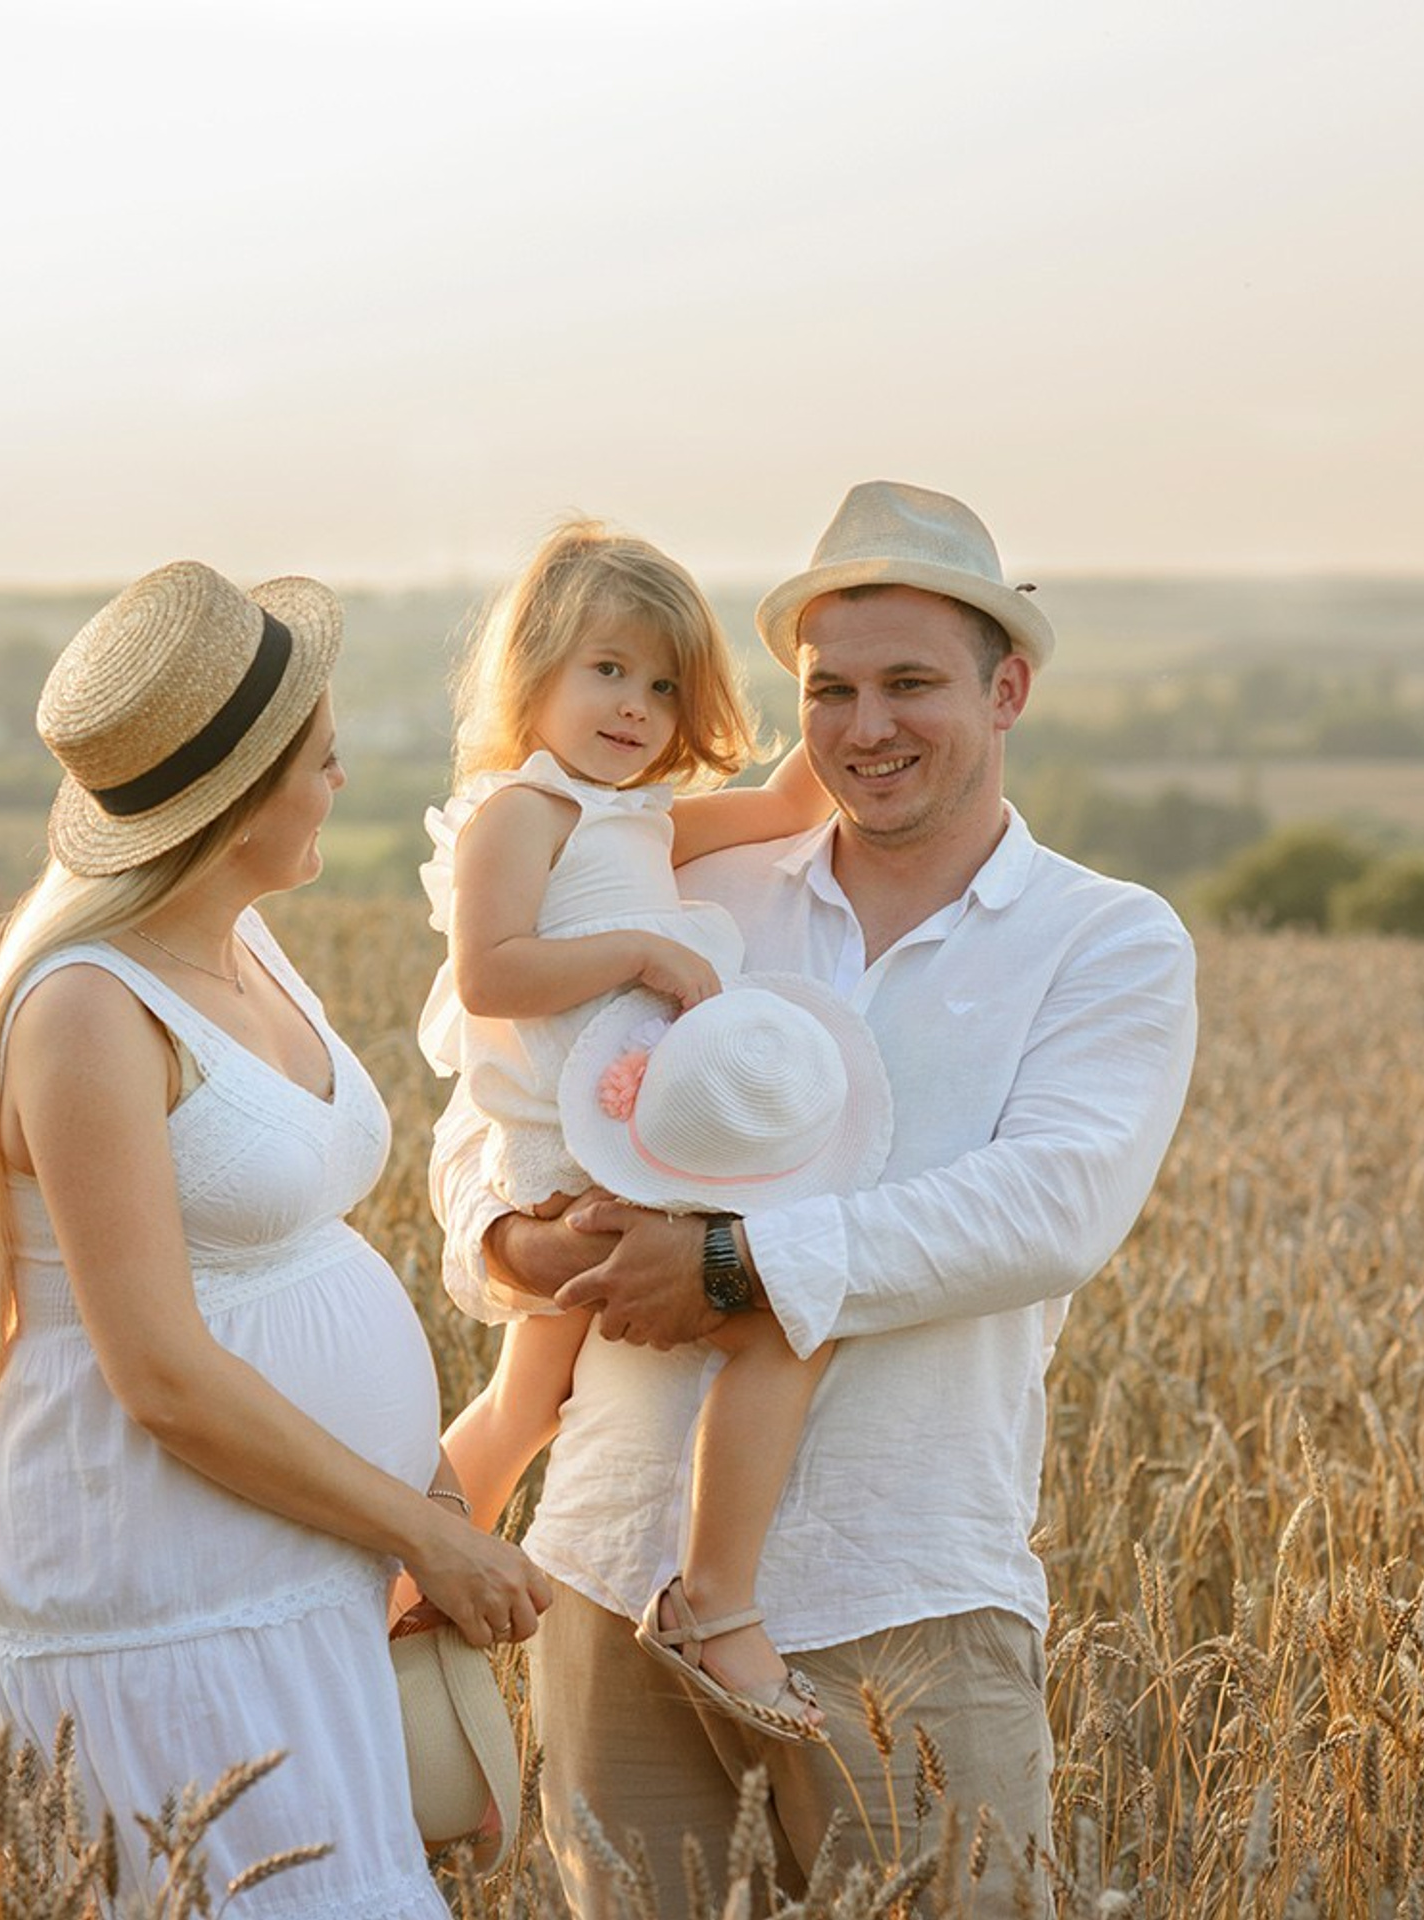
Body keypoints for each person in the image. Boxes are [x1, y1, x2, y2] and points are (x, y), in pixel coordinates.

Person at [429, 482, 1200, 1918]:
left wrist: (730, 1264)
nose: (866, 726)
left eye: (911, 683)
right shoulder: (705, 888)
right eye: (831, 691)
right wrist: (526, 1241)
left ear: (1008, 686)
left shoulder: (1105, 941)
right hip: (610, 1568)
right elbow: (492, 1109)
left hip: (904, 1590)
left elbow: (1048, 1208)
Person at [0, 560, 550, 1916]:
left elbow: (290, 1256)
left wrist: (415, 1484)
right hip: (161, 1605)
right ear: (239, 800)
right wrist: (427, 1537)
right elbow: (160, 1373)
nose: (341, 785)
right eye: (323, 761)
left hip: (293, 1568)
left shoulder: (244, 945)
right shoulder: (85, 1012)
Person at [414, 519, 867, 1740]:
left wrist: (830, 676)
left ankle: (410, 1583)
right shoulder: (527, 811)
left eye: (665, 685)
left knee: (534, 1399)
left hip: (619, 1141)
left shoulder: (642, 817)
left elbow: (780, 804)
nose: (636, 706)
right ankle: (707, 1603)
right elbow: (489, 974)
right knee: (783, 1314)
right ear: (535, 673)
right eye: (607, 670)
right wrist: (640, 949)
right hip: (578, 1150)